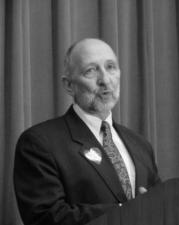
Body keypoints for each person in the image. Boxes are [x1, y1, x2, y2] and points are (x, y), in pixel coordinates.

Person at [14, 38, 161, 225]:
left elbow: (159, 204)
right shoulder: (40, 143)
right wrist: (126, 212)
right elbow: (45, 217)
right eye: (90, 71)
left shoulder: (140, 145)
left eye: (111, 67)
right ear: (69, 85)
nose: (105, 80)